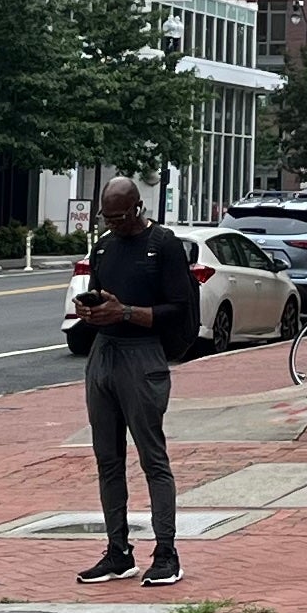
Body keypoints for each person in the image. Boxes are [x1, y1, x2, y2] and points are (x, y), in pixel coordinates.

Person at [73, 177, 196, 588]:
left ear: (137, 208)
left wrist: (125, 312)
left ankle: (166, 553)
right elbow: (99, 294)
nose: (114, 224)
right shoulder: (105, 245)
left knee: (152, 457)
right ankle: (118, 552)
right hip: (104, 355)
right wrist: (92, 312)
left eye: (120, 216)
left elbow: (178, 309)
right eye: (107, 217)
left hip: (143, 356)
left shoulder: (163, 244)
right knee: (107, 458)